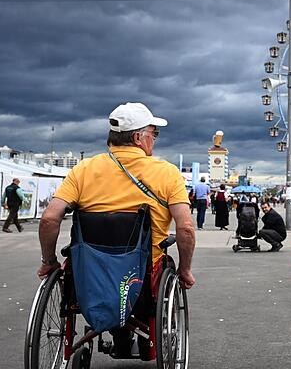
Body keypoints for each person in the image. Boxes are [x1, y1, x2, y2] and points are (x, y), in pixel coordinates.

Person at [36, 102, 196, 289]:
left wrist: (49, 261)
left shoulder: (83, 169)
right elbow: (185, 228)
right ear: (138, 137)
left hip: (89, 271)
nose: (154, 139)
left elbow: (49, 219)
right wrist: (184, 270)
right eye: (154, 134)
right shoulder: (167, 173)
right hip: (142, 272)